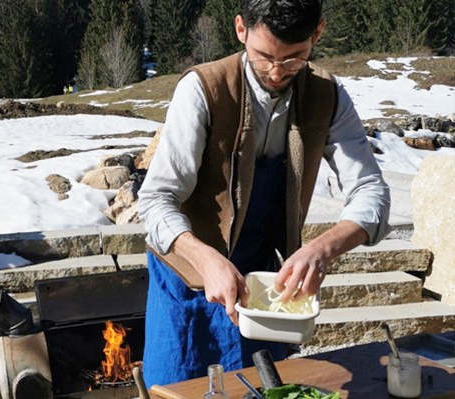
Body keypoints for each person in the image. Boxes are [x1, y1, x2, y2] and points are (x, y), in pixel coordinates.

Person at [138, 0, 391, 387]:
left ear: (317, 34)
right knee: (177, 390)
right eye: (262, 57)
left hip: (264, 286)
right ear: (241, 28)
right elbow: (155, 200)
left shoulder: (328, 95)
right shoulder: (202, 89)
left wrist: (321, 249)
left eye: (293, 59)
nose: (276, 72)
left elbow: (371, 190)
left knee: (264, 390)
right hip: (187, 280)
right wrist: (205, 260)